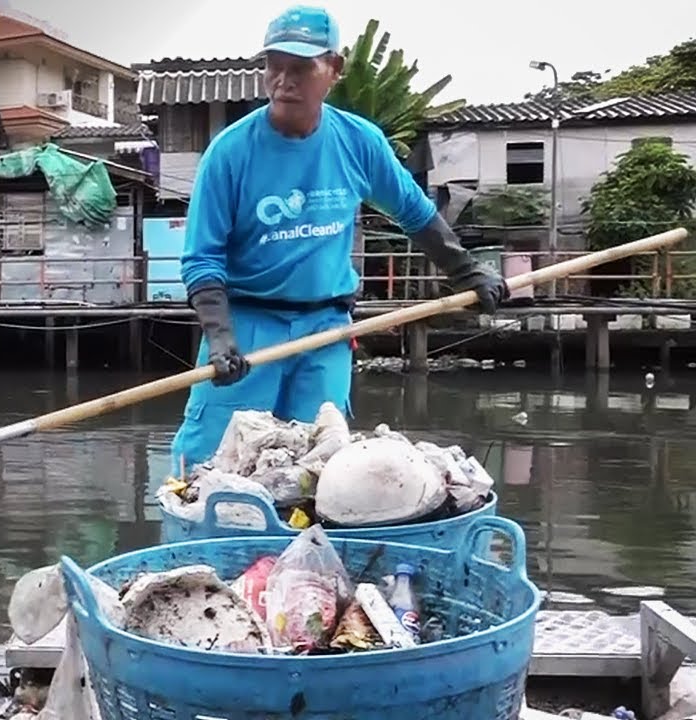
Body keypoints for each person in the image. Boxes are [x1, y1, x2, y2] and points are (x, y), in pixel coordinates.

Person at [170, 4, 508, 474]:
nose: (284, 80)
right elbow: (202, 258)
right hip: (247, 324)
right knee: (210, 466)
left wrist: (467, 271)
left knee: (318, 468)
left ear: (334, 69)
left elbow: (414, 212)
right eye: (274, 66)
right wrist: (221, 336)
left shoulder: (358, 141)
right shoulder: (229, 152)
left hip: (326, 327)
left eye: (300, 67)